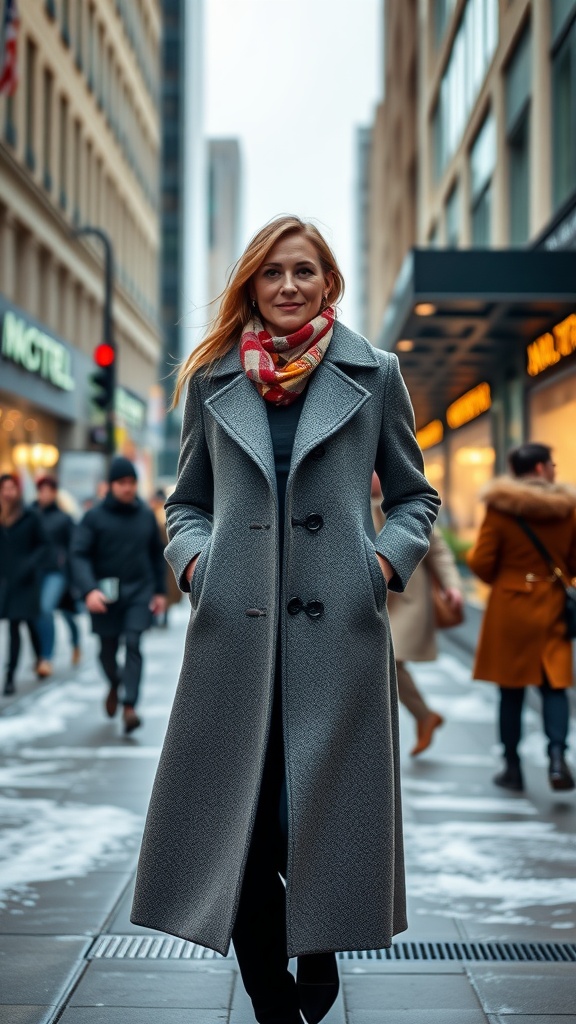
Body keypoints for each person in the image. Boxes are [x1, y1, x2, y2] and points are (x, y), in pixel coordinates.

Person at [131, 215, 440, 1024]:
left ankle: (323, 939)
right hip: (234, 637)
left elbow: (414, 497)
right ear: (252, 287)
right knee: (243, 828)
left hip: (338, 637)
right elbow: (186, 504)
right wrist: (197, 564)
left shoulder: (375, 374)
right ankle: (272, 999)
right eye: (273, 274)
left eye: (304, 271)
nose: (289, 286)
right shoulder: (213, 379)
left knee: (311, 814)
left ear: (328, 283)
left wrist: (378, 567)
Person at [467, 442, 576, 793]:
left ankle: (512, 769)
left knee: (510, 691)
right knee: (554, 686)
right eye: (553, 464)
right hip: (553, 606)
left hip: (510, 608)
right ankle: (558, 758)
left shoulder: (501, 508)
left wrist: (506, 577)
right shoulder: (568, 509)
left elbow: (482, 563)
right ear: (542, 468)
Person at [71, 456, 167, 734]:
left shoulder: (145, 515)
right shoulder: (94, 517)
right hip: (104, 595)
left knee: (135, 643)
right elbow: (79, 555)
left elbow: (155, 554)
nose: (127, 488)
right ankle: (114, 683)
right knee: (107, 653)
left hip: (139, 591)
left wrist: (160, 592)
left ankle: (130, 706)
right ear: (110, 485)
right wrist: (89, 590)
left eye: (132, 483)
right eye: (122, 483)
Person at [371, 473, 463, 756]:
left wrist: (452, 585)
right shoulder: (350, 498)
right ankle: (423, 717)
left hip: (408, 594)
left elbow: (437, 549)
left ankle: (421, 717)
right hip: (374, 596)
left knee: (388, 658)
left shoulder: (401, 500)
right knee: (381, 661)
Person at [0, 473, 48, 695]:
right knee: (14, 627)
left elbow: (43, 546)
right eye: (4, 489)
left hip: (27, 581)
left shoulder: (30, 515)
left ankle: (39, 658)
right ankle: (10, 677)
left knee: (28, 624)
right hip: (7, 582)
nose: (8, 493)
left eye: (12, 488)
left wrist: (31, 565)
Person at [32, 475, 79, 677]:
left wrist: (67, 564)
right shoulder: (31, 514)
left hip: (57, 573)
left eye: (49, 490)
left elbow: (75, 547)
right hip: (35, 572)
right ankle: (41, 655)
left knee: (52, 610)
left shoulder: (64, 518)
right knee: (39, 613)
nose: (45, 494)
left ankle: (49, 657)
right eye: (42, 490)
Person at [148, 488, 182, 627]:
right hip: (166, 559)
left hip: (162, 558)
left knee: (164, 588)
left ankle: (158, 618)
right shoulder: (162, 514)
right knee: (165, 589)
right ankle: (160, 618)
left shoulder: (155, 515)